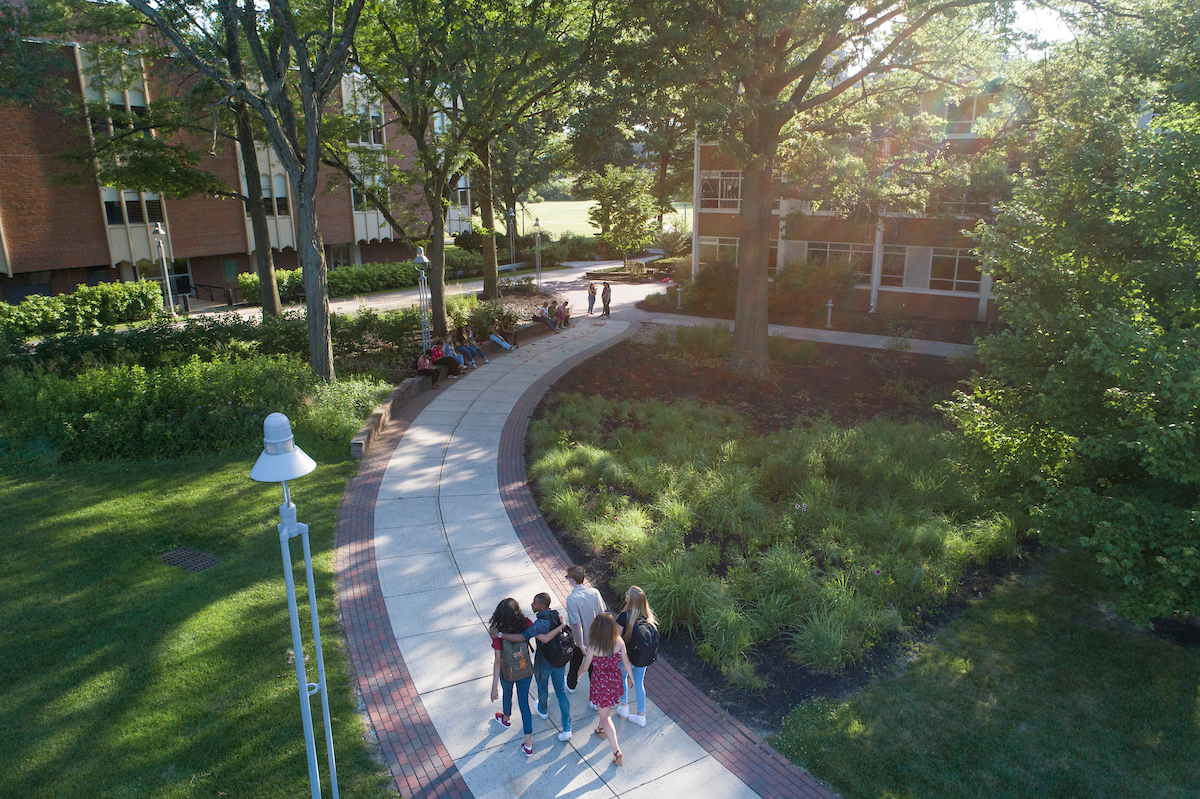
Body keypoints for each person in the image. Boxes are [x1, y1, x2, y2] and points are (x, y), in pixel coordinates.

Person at [496, 592, 574, 742]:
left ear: (543, 606)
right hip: (559, 661)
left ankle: (543, 710)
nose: (532, 605)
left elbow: (523, 637)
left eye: (535, 603)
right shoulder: (556, 615)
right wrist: (562, 626)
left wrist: (500, 635)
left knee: (542, 688)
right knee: (560, 692)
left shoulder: (540, 624)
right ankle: (567, 728)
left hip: (544, 662)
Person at [579, 614, 634, 767]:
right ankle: (600, 730)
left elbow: (586, 665)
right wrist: (631, 677)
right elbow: (626, 662)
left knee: (605, 716)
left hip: (601, 683)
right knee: (605, 709)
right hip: (614, 681)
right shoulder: (619, 642)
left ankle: (617, 752)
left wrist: (579, 672)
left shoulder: (594, 645)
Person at [489, 598, 535, 756]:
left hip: (507, 672)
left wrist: (494, 688)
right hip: (525, 671)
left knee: (507, 693)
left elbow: (497, 661)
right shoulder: (526, 623)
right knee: (524, 705)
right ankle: (528, 745)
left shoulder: (497, 632)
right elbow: (530, 635)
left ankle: (506, 719)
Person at [615, 585, 657, 727]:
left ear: (631, 599)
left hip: (626, 656)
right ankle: (641, 714)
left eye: (627, 593)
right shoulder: (648, 618)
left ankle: (624, 706)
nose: (625, 594)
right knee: (639, 683)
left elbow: (616, 637)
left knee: (622, 677)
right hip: (641, 658)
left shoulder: (623, 617)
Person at [564, 565, 605, 693]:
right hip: (596, 638)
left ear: (571, 580)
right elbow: (602, 614)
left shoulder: (572, 599)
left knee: (575, 662)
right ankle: (595, 696)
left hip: (580, 639)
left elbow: (577, 624)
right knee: (594, 667)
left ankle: (571, 685)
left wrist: (581, 644)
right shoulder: (595, 592)